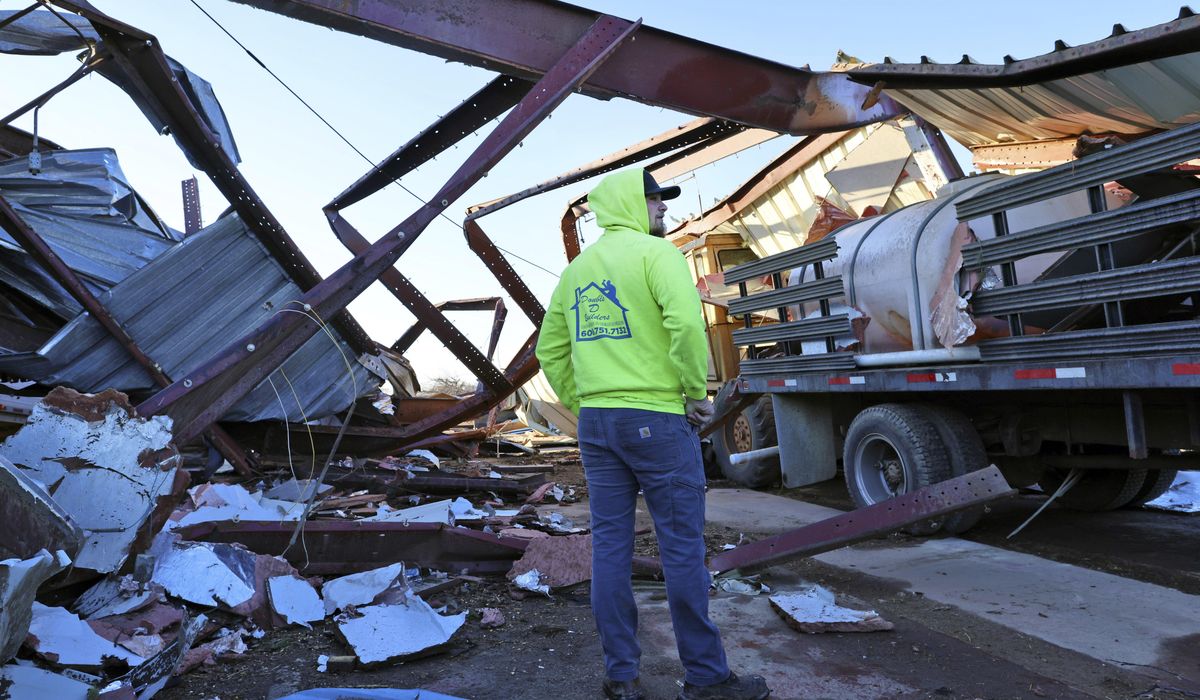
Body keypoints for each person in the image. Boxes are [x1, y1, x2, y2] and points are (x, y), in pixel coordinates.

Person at [536, 169, 770, 700]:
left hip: (598, 425)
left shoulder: (576, 273)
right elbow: (686, 326)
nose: (662, 209)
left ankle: (622, 679)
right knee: (682, 549)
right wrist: (692, 390)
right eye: (655, 200)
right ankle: (707, 680)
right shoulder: (655, 255)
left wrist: (583, 401)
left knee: (611, 549)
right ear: (628, 203)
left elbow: (549, 350)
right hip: (657, 419)